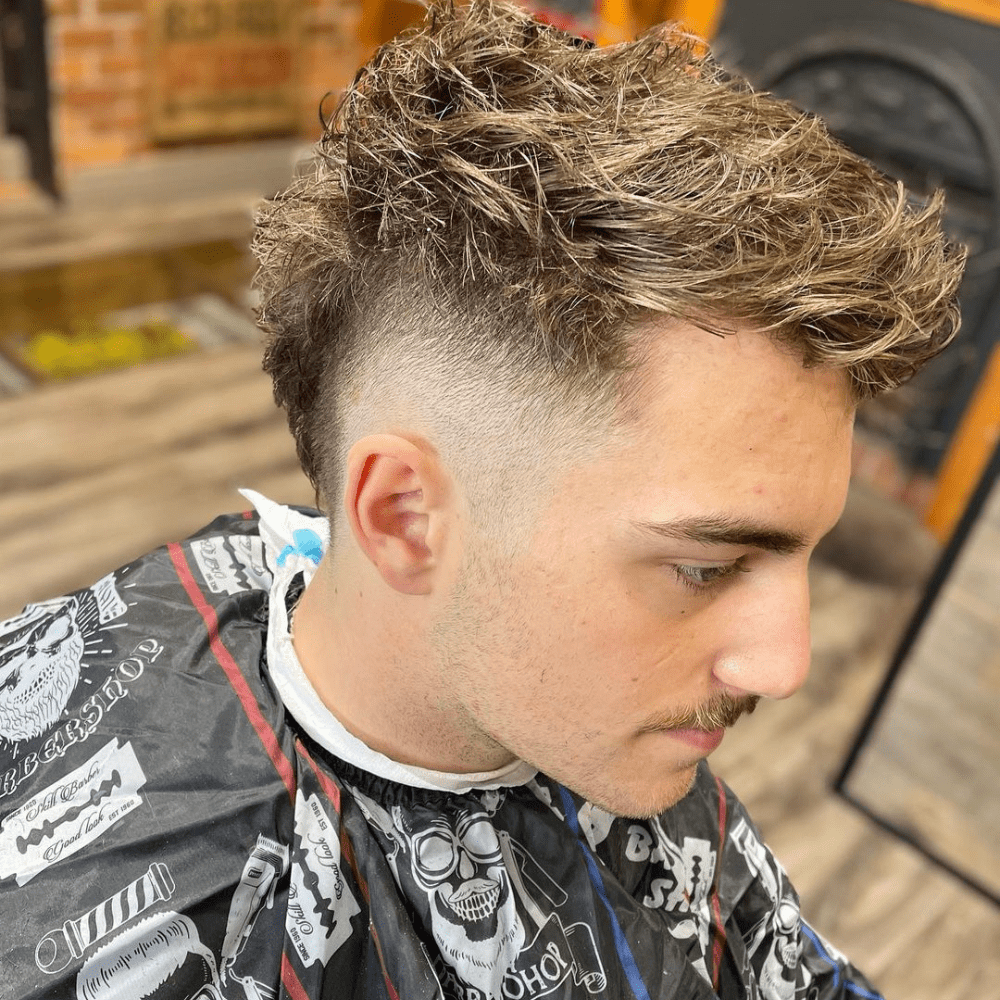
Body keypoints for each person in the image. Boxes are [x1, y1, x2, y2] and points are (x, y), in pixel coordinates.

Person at [0, 2, 964, 997]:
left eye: (806, 550)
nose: (786, 661)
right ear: (405, 518)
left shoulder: (598, 723)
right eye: (705, 567)